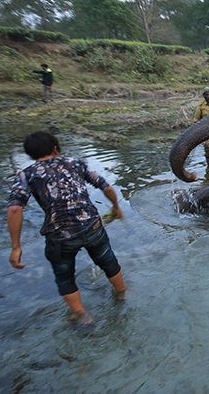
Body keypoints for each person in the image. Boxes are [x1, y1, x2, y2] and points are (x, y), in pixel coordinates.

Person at [7, 131, 126, 324]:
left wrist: (16, 247)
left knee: (64, 276)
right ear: (56, 148)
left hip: (60, 236)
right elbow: (106, 187)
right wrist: (116, 207)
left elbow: (14, 209)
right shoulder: (75, 163)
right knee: (108, 260)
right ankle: (121, 294)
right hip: (92, 226)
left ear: (30, 155)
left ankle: (81, 314)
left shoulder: (26, 174)